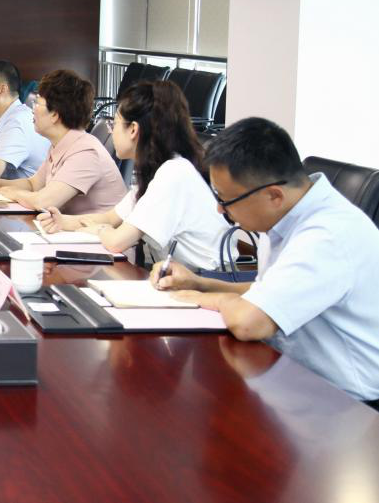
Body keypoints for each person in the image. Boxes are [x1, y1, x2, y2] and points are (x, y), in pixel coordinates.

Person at [153, 117, 379, 407]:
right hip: (293, 377)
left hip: (347, 405)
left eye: (226, 199)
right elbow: (267, 292)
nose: (219, 208)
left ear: (274, 195)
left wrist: (207, 299)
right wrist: (199, 283)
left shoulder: (328, 235)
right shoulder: (286, 215)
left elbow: (248, 322)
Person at [37, 80, 230, 268]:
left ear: (133, 130)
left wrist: (100, 230)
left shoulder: (173, 173)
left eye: (114, 124)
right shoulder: (158, 170)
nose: (111, 132)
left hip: (209, 280)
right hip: (181, 276)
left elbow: (116, 241)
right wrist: (62, 221)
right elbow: (110, 218)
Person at [0, 69, 125, 212]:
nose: (32, 109)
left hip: (94, 230)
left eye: (37, 103)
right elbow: (33, 184)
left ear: (55, 115)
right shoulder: (60, 144)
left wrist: (9, 192)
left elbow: (43, 201)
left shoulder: (86, 152)